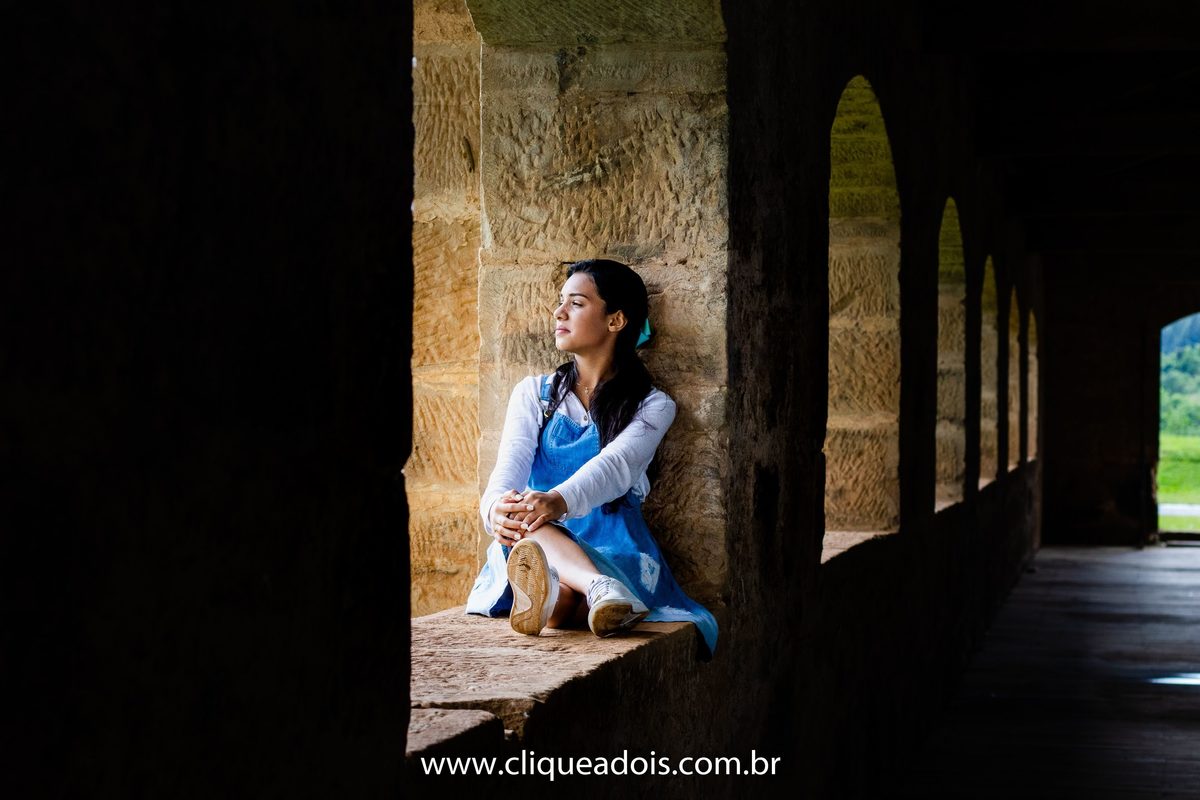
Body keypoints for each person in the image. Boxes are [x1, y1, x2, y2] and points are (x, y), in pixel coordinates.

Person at [464, 259, 719, 658]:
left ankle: (578, 590)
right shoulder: (534, 394)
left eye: (577, 303)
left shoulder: (652, 405)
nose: (559, 312)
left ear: (616, 320)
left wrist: (557, 500)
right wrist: (496, 508)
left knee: (559, 593)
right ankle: (598, 588)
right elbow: (506, 472)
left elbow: (615, 468)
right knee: (526, 523)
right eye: (560, 301)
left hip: (614, 544)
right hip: (539, 531)